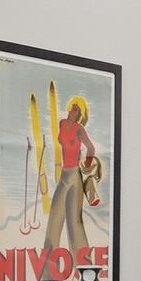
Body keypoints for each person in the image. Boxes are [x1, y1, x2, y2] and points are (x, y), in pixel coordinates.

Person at [43, 95, 97, 268]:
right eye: (73, 107)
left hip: (74, 175)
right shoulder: (62, 123)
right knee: (54, 219)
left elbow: (91, 148)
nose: (74, 111)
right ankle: (48, 269)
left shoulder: (79, 129)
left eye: (78, 110)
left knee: (75, 223)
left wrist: (87, 167)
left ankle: (86, 269)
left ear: (80, 114)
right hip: (64, 175)